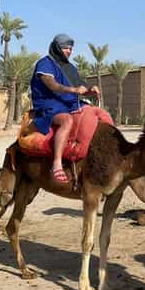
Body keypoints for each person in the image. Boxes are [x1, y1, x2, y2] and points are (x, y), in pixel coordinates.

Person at [30, 34, 99, 183]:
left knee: (96, 114)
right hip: (48, 104)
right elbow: (52, 85)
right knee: (66, 121)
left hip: (68, 103)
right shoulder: (45, 63)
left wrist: (90, 90)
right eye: (65, 48)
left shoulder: (70, 68)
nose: (69, 51)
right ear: (56, 48)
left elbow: (80, 87)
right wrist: (74, 90)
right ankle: (57, 163)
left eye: (71, 48)